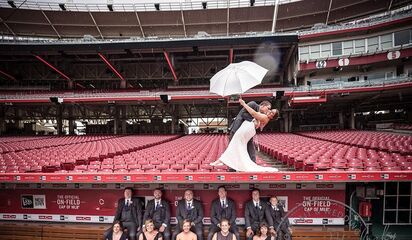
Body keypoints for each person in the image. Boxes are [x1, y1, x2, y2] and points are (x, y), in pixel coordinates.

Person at [210, 99, 279, 172]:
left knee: (236, 145)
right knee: (239, 146)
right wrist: (254, 120)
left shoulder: (265, 117)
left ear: (272, 117)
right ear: (263, 105)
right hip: (241, 127)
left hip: (246, 129)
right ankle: (231, 164)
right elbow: (243, 114)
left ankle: (224, 162)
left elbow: (253, 114)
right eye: (268, 109)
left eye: (271, 112)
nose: (269, 111)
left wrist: (244, 104)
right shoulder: (253, 104)